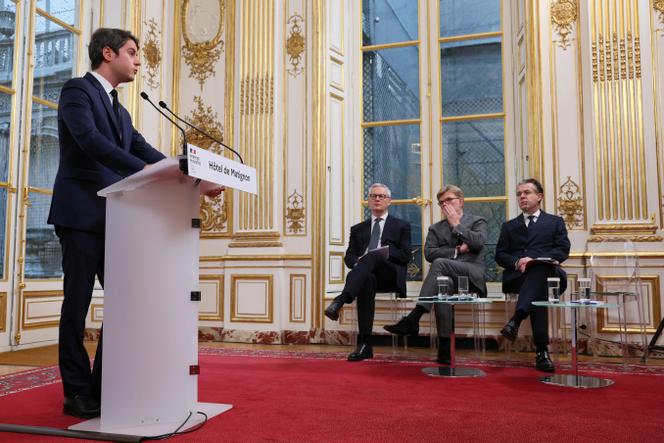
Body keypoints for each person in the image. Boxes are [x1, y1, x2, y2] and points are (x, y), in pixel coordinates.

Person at [48, 28, 223, 419]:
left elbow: (147, 152)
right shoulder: (77, 91)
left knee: (127, 306)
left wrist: (196, 177)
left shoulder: (122, 111)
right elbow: (90, 141)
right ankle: (75, 392)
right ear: (107, 53)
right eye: (132, 52)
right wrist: (142, 169)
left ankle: (104, 385)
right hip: (80, 215)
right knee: (75, 307)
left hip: (119, 221)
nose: (139, 60)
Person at [383, 185, 487, 364]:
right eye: (442, 202)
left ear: (460, 201)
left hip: (471, 274)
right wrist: (456, 250)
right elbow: (429, 253)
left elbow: (478, 242)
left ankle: (414, 317)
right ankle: (444, 350)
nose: (445, 204)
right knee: (442, 283)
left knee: (440, 264)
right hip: (448, 277)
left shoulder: (477, 221)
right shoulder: (435, 229)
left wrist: (456, 224)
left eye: (449, 200)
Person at [324, 183, 411, 361]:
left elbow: (405, 256)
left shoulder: (401, 226)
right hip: (366, 276)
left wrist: (384, 253)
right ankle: (365, 345)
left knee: (372, 256)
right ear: (368, 201)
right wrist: (359, 262)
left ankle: (341, 300)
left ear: (389, 201)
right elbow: (349, 258)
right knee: (367, 277)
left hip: (390, 275)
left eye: (381, 196)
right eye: (373, 196)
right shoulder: (358, 229)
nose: (377, 199)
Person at [496, 178, 570, 372]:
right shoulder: (509, 226)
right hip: (518, 277)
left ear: (539, 197)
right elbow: (500, 254)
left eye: (527, 192)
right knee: (538, 287)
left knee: (540, 270)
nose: (522, 196)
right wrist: (517, 262)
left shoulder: (555, 222)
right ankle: (542, 352)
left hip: (551, 275)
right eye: (519, 193)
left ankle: (517, 319)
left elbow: (563, 250)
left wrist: (535, 260)